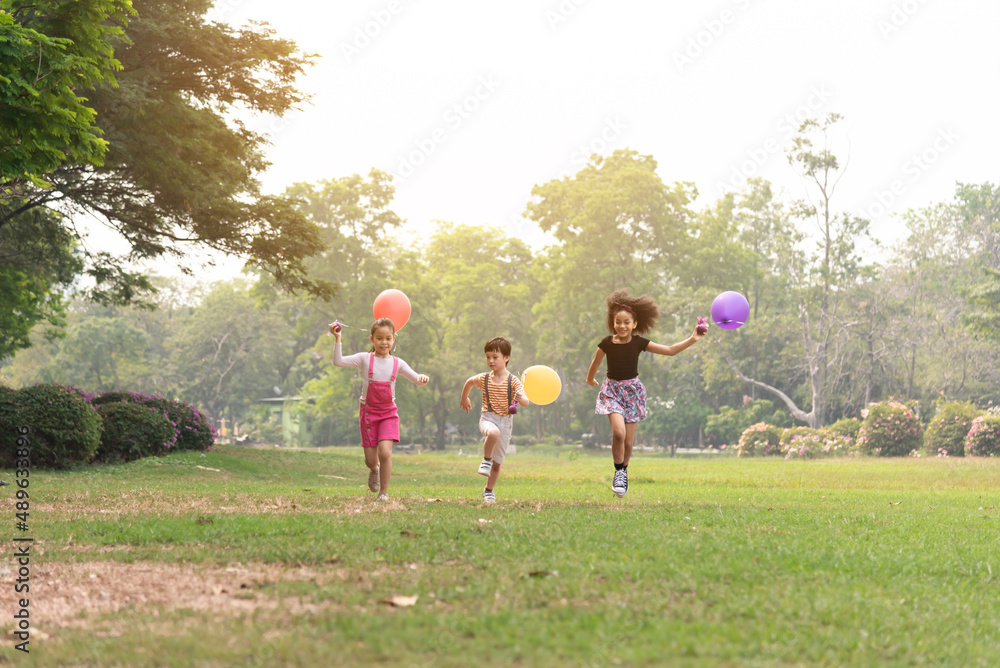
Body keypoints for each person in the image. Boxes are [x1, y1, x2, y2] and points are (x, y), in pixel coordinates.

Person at [586, 289, 705, 498]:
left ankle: (623, 473)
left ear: (634, 324)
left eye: (626, 322)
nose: (621, 326)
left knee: (629, 443)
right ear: (612, 322)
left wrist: (693, 338)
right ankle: (618, 472)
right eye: (617, 322)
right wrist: (590, 379)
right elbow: (595, 364)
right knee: (618, 434)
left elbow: (670, 350)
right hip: (612, 391)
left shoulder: (639, 343)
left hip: (633, 392)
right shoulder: (606, 343)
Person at [330, 317, 429, 501]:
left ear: (394, 339)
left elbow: (417, 379)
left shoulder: (398, 363)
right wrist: (338, 338)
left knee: (385, 452)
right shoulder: (364, 359)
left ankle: (383, 493)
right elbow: (338, 361)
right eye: (380, 338)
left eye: (388, 338)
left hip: (388, 414)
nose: (384, 342)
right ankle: (374, 470)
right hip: (368, 413)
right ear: (372, 339)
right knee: (370, 460)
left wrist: (422, 378)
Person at [460, 336, 530, 504]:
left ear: (506, 358)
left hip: (506, 422)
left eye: (495, 357)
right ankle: (486, 459)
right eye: (488, 356)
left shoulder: (513, 381)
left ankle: (488, 491)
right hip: (488, 418)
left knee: (498, 464)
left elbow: (526, 402)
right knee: (493, 433)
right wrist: (464, 398)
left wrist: (521, 398)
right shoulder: (484, 378)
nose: (490, 360)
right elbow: (469, 382)